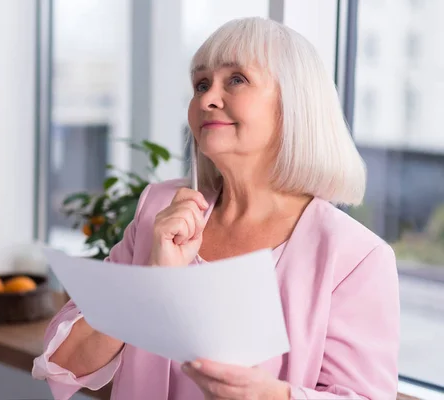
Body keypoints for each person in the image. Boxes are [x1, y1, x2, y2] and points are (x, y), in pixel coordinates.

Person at [32, 17, 399, 400]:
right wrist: (152, 278)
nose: (207, 98)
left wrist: (272, 396)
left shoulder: (356, 257)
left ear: (294, 103)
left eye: (236, 79)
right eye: (201, 84)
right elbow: (64, 361)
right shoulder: (158, 209)